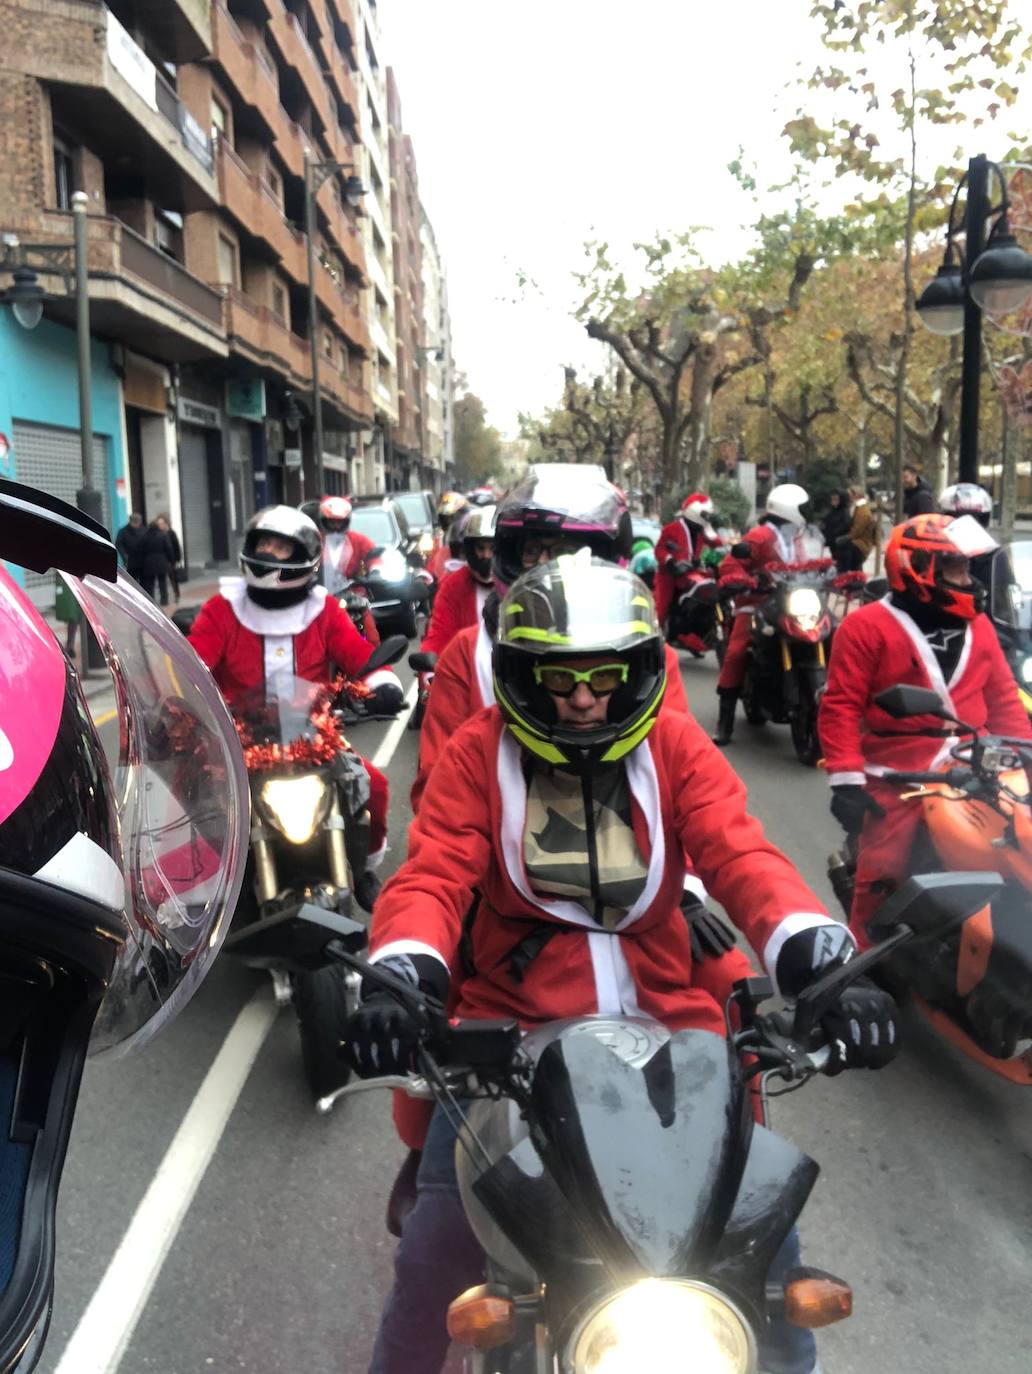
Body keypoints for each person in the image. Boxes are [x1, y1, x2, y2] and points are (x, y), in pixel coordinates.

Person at [347, 555, 899, 1374]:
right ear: (521, 675)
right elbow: (432, 872)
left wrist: (823, 960)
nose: (582, 696)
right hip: (509, 1044)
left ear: (638, 674)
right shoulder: (475, 752)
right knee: (434, 1261)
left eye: (606, 676)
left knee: (770, 1273)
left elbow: (745, 856)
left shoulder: (675, 745)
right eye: (559, 676)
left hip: (675, 1035)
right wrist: (403, 977)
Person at [818, 512, 1031, 952]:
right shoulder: (865, 627)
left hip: (979, 764)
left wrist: (1028, 760)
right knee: (885, 869)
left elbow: (1005, 702)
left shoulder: (980, 627)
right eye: (955, 568)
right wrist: (847, 783)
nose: (967, 578)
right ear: (920, 570)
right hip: (899, 773)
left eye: (967, 568)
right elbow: (839, 708)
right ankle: (864, 963)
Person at [187, 506, 402, 906]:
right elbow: (193, 663)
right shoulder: (222, 609)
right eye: (264, 543)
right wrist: (176, 699)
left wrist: (383, 684)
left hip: (311, 736)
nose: (269, 552)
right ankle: (216, 891)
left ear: (304, 557)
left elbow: (359, 656)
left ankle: (363, 868)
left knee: (374, 785)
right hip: (239, 742)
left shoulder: (324, 611)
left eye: (281, 547)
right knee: (199, 802)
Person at [711, 482, 811, 746]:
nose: (805, 511)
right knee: (736, 652)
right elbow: (730, 565)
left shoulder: (796, 537)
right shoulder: (760, 536)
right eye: (801, 507)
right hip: (756, 602)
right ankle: (725, 724)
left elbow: (805, 565)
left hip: (790, 602)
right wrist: (748, 580)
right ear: (789, 508)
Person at [418, 505, 495, 659]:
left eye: (493, 548)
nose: (486, 556)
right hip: (467, 674)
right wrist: (431, 670)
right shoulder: (454, 585)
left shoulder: (520, 583)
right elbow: (439, 636)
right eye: (480, 548)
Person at [653, 492, 719, 636]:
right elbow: (660, 550)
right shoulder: (672, 529)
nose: (707, 518)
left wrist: (731, 546)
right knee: (661, 607)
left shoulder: (702, 530)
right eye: (705, 515)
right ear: (696, 513)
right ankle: (657, 637)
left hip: (691, 572)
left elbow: (716, 543)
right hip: (670, 574)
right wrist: (670, 561)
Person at [318, 495, 375, 595]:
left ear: (346, 521)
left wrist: (376, 570)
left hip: (353, 595)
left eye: (339, 522)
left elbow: (373, 555)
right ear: (324, 520)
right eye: (332, 522)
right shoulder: (315, 539)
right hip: (321, 595)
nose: (336, 526)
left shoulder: (359, 540)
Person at [835, 483, 876, 573]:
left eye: (849, 495)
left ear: (855, 495)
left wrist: (845, 538)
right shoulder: (857, 508)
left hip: (861, 544)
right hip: (857, 542)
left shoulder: (863, 510)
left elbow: (857, 530)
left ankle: (846, 575)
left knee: (846, 551)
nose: (848, 497)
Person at [139, 516, 175, 606]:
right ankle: (164, 600)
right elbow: (169, 548)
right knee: (162, 582)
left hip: (149, 562)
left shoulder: (145, 536)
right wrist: (171, 560)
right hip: (161, 561)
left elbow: (142, 549)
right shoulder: (163, 535)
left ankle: (151, 601)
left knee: (150, 583)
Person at [822, 489, 852, 570]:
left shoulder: (844, 512)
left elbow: (845, 525)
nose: (833, 502)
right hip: (833, 545)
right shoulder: (831, 512)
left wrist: (834, 532)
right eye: (832, 499)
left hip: (842, 545)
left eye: (835, 499)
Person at [115, 511, 146, 582]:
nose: (136, 524)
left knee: (144, 583)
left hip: (143, 561)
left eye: (138, 521)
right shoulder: (123, 531)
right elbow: (118, 544)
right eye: (134, 521)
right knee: (132, 581)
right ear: (130, 520)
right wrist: (124, 555)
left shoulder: (144, 530)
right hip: (130, 561)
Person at [159, 514, 183, 603]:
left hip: (171, 560)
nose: (160, 526)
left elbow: (176, 546)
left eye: (161, 523)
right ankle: (165, 597)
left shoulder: (171, 533)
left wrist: (178, 559)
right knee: (163, 579)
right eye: (159, 524)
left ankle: (176, 594)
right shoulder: (159, 534)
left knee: (173, 578)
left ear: (166, 523)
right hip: (163, 559)